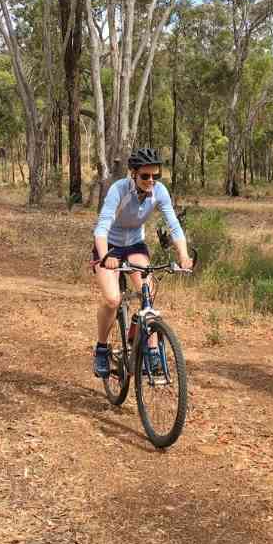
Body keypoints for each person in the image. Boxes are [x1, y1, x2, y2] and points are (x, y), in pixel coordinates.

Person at [91, 147, 193, 378]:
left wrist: (184, 255)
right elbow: (102, 227)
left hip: (135, 245)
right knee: (112, 299)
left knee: (148, 292)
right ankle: (101, 348)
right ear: (133, 174)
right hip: (110, 246)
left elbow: (174, 225)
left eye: (155, 176)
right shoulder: (118, 190)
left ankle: (151, 348)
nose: (151, 181)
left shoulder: (159, 192)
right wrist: (106, 256)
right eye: (145, 176)